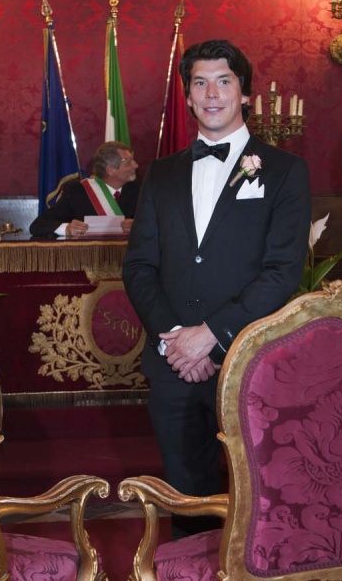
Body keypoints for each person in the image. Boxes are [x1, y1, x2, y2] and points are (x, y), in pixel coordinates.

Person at [122, 39, 311, 537]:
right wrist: (174, 338)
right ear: (187, 96)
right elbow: (139, 266)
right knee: (187, 497)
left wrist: (213, 335)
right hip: (171, 362)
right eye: (200, 83)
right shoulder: (159, 175)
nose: (211, 94)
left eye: (224, 81)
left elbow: (282, 272)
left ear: (245, 93)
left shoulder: (285, 171)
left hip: (247, 356)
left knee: (263, 493)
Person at [29, 142, 139, 238]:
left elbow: (154, 223)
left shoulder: (142, 189)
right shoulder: (77, 191)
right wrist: (67, 228)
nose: (136, 165)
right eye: (128, 162)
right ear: (110, 169)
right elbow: (38, 225)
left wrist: (139, 226)